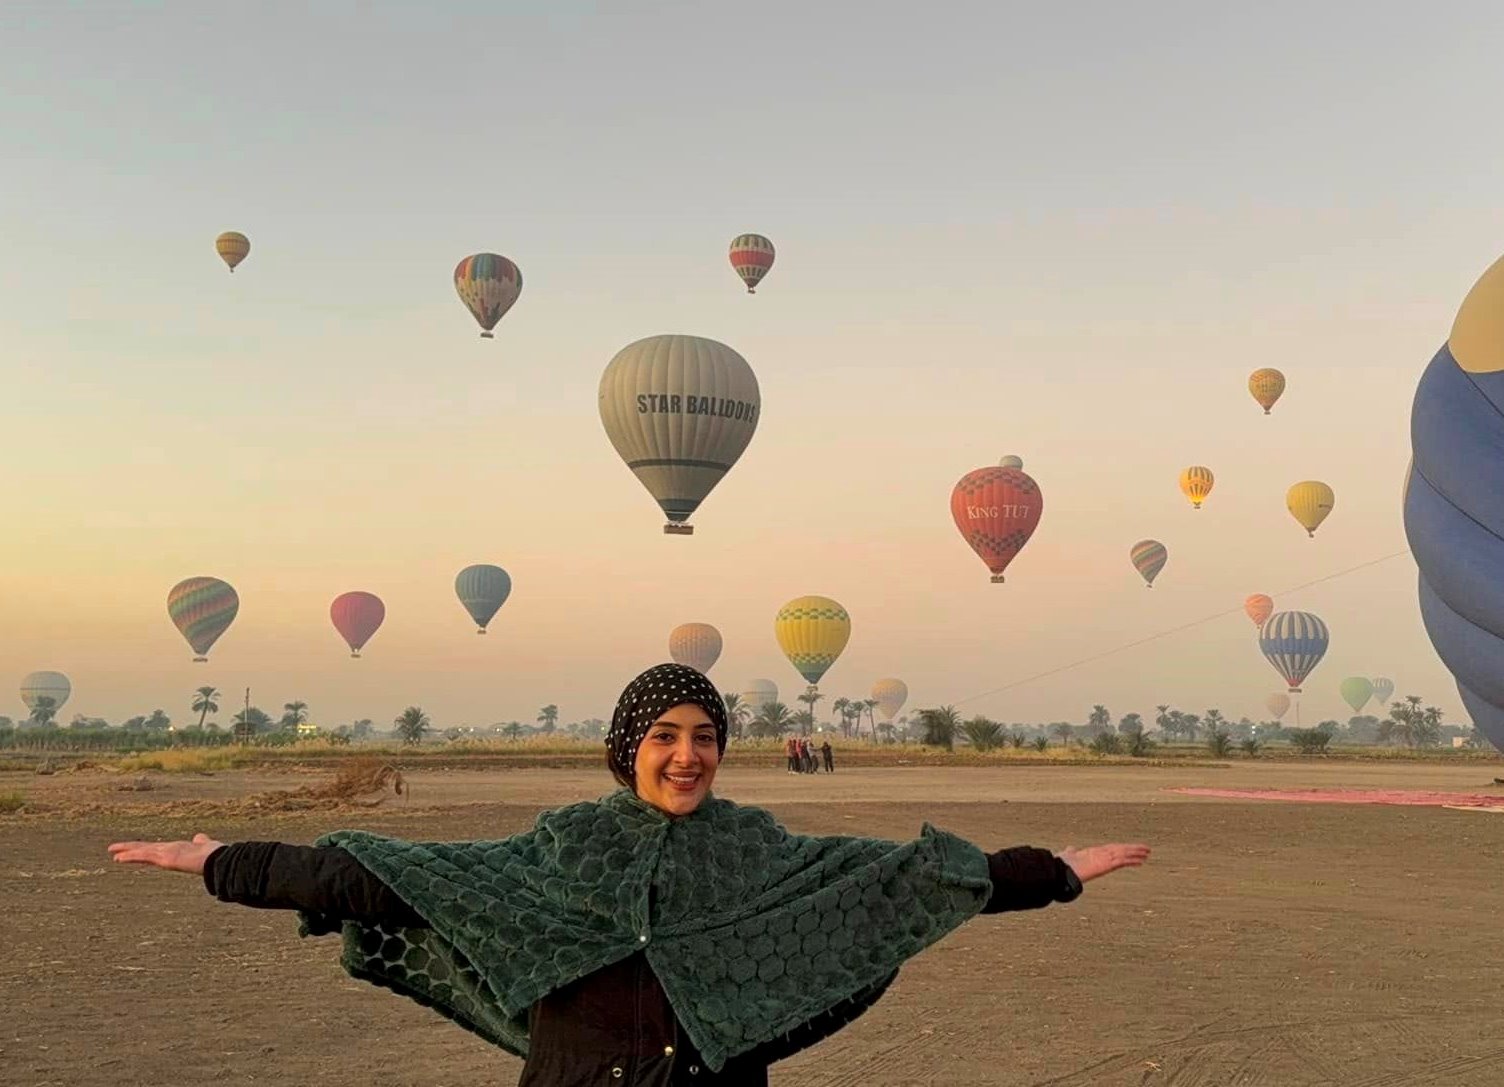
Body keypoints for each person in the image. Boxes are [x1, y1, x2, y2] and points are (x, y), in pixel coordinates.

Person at [109, 663, 1149, 1087]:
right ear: (626, 746)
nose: (687, 754)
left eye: (704, 736)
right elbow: (388, 878)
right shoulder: (564, 842)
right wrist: (223, 862)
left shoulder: (759, 849)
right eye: (664, 735)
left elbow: (901, 880)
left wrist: (1051, 870)